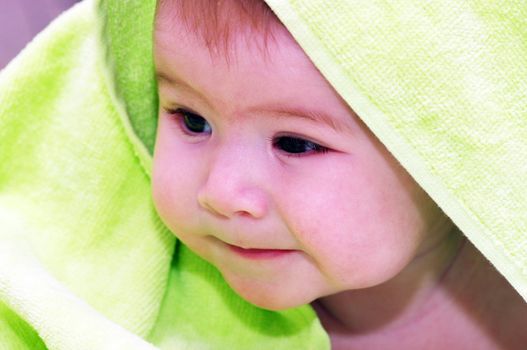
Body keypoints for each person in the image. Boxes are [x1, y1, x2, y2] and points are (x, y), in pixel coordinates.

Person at [0, 0, 526, 349]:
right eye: (192, 119)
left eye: (296, 143)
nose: (222, 193)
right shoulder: (108, 299)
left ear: (456, 143)